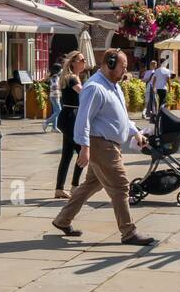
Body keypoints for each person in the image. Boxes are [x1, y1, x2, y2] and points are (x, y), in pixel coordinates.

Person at [51, 49, 155, 246]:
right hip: (101, 144)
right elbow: (83, 119)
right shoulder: (95, 87)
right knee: (121, 186)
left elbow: (120, 116)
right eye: (123, 67)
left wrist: (136, 132)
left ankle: (62, 219)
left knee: (91, 184)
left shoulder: (113, 86)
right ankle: (128, 232)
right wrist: (84, 147)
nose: (126, 71)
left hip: (108, 144)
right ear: (110, 64)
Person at [53, 51, 88, 199]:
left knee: (67, 155)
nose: (84, 62)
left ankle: (59, 189)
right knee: (83, 153)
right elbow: (84, 93)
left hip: (68, 117)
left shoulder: (72, 77)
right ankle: (74, 186)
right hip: (70, 117)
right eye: (82, 59)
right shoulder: (72, 78)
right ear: (73, 62)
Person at [43, 61, 63, 132]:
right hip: (54, 96)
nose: (62, 70)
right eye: (60, 69)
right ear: (57, 70)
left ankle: (54, 127)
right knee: (59, 110)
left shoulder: (54, 76)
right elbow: (55, 86)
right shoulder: (55, 77)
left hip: (55, 95)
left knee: (55, 111)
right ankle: (47, 122)